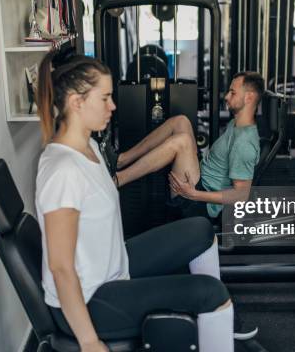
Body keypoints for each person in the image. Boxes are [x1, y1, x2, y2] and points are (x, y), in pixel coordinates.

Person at [34, 52, 235, 352]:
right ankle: (214, 316)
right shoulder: (63, 172)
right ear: (77, 103)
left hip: (114, 267)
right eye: (104, 99)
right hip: (92, 300)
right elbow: (61, 268)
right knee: (211, 293)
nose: (113, 106)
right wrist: (89, 341)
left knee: (200, 230)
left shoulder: (87, 146)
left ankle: (213, 324)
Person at [110, 72, 265, 222]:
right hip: (201, 177)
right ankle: (121, 160)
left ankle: (117, 180)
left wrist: (193, 194)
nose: (226, 97)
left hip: (200, 203)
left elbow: (240, 196)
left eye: (232, 93)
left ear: (249, 97)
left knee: (182, 141)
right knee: (181, 121)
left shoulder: (244, 143)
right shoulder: (236, 124)